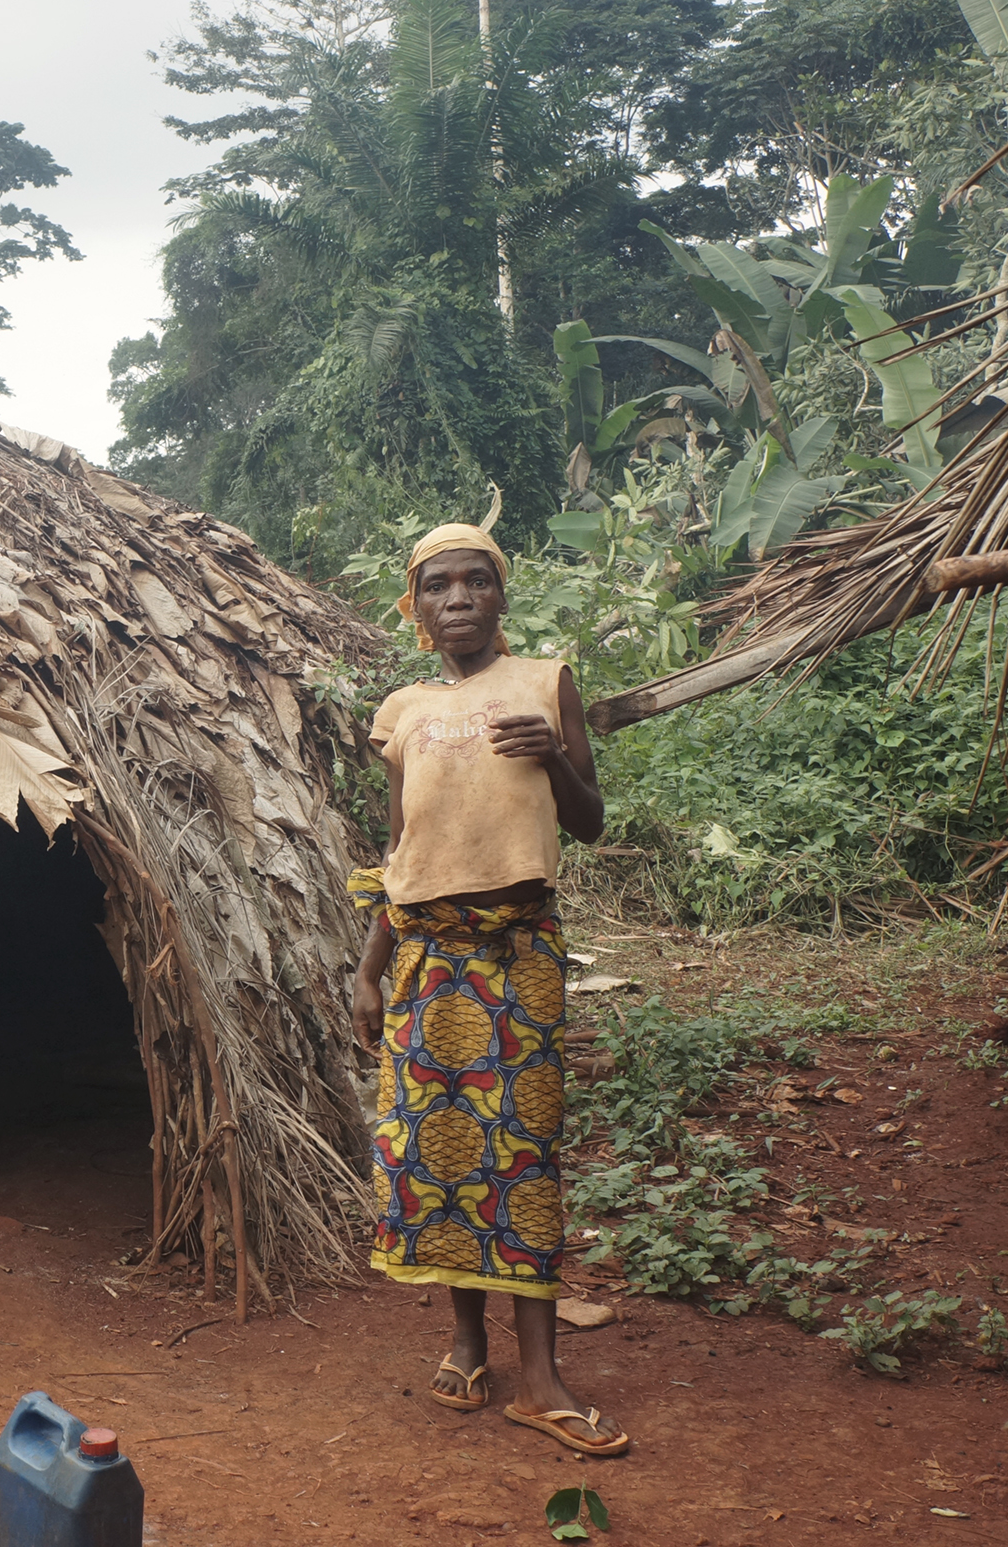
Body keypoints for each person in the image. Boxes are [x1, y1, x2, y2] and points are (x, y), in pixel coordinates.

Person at [348, 522, 627, 1458]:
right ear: (416, 608)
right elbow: (401, 855)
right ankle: (466, 1339)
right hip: (426, 962)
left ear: (502, 595)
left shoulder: (545, 683)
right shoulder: (404, 710)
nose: (458, 598)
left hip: (517, 957)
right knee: (442, 1152)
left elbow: (587, 823)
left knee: (521, 1152)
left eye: (475, 582)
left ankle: (540, 1378)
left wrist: (551, 751)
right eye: (438, 587)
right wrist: (368, 969)